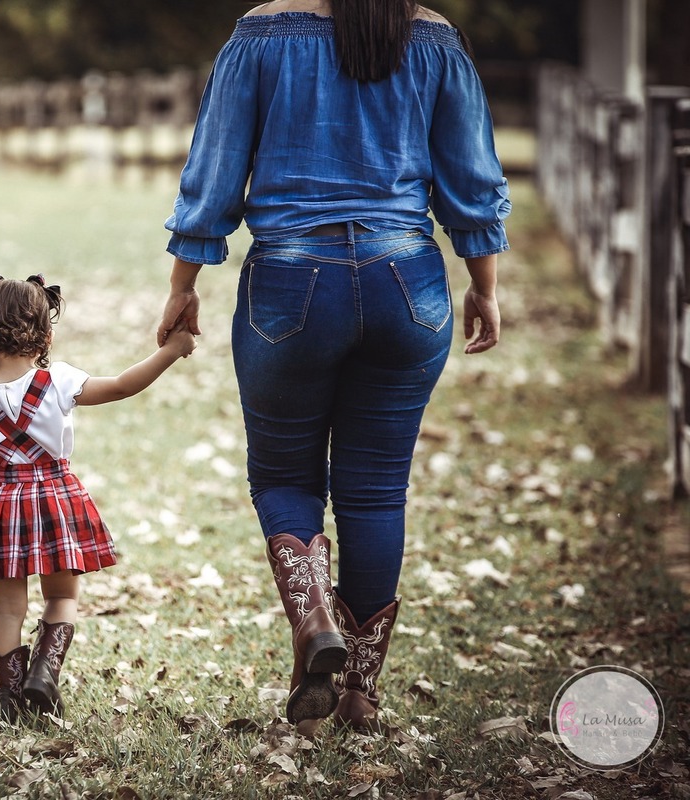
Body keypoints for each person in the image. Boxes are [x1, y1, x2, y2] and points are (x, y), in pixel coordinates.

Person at [159, 0, 508, 737]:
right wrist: (485, 284)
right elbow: (471, 178)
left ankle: (313, 614)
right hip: (407, 281)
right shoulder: (436, 40)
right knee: (377, 493)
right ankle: (358, 694)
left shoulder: (261, 34)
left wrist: (184, 285)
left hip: (290, 284)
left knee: (285, 478)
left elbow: (214, 169)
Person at [0, 273, 195, 723]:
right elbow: (121, 385)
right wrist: (170, 352)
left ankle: (8, 701)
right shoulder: (58, 382)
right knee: (61, 598)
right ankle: (44, 672)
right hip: (56, 498)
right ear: (47, 335)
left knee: (6, 610)